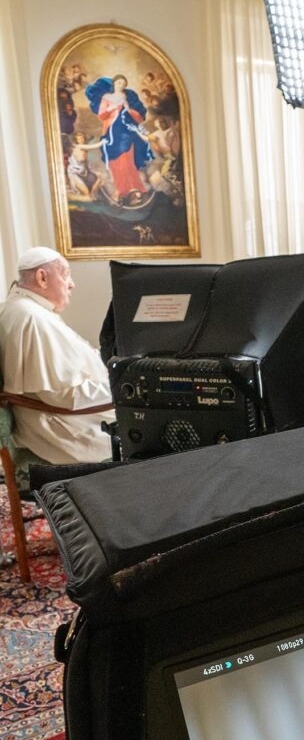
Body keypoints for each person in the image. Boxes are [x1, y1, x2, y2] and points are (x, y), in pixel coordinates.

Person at [0, 247, 114, 464]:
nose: (72, 284)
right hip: (63, 427)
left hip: (60, 415)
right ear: (42, 277)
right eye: (66, 274)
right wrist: (120, 387)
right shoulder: (32, 318)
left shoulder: (24, 307)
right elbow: (64, 396)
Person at [85, 73, 153, 204]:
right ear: (114, 84)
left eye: (123, 84)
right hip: (111, 130)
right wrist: (110, 108)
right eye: (119, 83)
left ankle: (134, 187)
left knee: (127, 158)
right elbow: (101, 115)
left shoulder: (126, 98)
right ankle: (121, 190)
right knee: (115, 161)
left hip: (125, 131)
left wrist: (129, 111)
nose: (121, 85)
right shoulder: (106, 97)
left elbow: (135, 117)